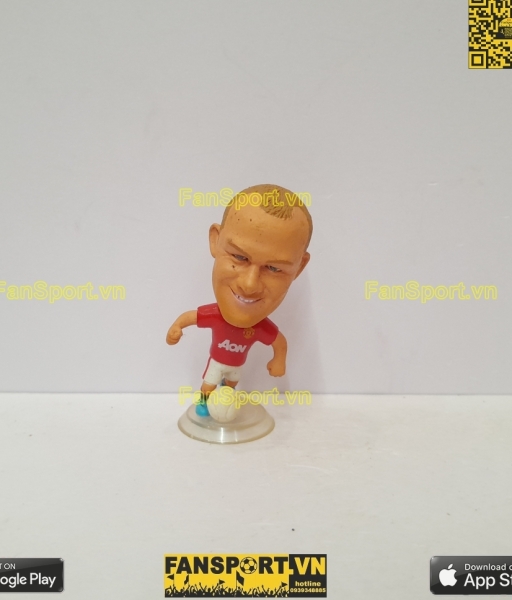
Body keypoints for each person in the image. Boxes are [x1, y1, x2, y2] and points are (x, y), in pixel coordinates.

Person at [166, 184, 312, 418]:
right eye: (239, 257)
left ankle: (226, 401)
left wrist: (279, 360)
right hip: (217, 363)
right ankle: (204, 403)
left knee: (231, 385)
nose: (250, 285)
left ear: (299, 267)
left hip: (235, 368)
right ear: (215, 241)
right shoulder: (216, 316)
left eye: (274, 268)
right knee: (209, 384)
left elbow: (279, 343)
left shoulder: (259, 328)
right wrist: (177, 327)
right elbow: (191, 317)